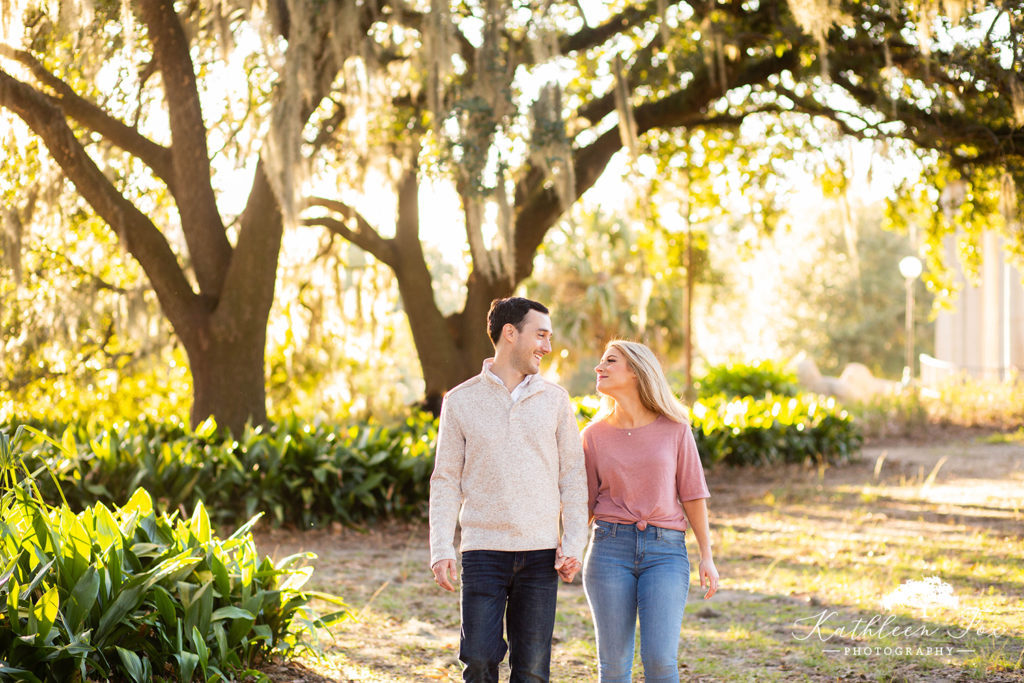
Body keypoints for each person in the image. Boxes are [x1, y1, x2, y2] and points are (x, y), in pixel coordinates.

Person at [429, 296, 589, 683]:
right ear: (510, 333)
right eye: (541, 336)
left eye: (549, 338)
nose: (547, 348)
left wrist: (573, 543)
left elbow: (573, 477)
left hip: (540, 554)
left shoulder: (556, 401)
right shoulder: (461, 401)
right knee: (480, 662)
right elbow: (445, 479)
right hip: (483, 550)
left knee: (532, 670)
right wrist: (440, 548)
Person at [582, 340, 719, 683]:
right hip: (608, 550)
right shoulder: (593, 436)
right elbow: (582, 501)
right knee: (613, 667)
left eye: (610, 361)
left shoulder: (675, 429)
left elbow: (693, 494)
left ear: (635, 371)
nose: (599, 368)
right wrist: (567, 545)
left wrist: (707, 555)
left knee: (660, 662)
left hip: (666, 551)